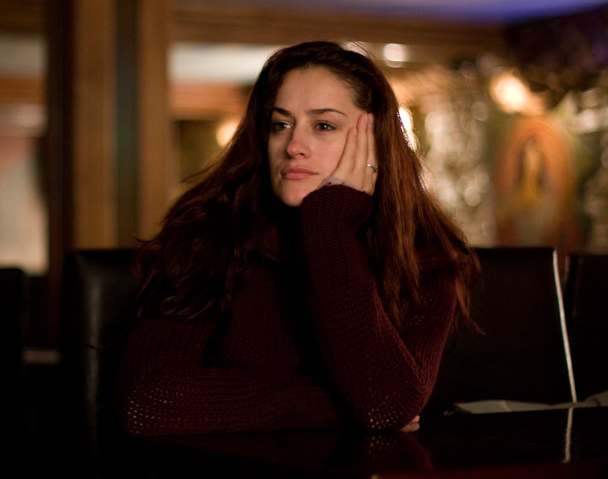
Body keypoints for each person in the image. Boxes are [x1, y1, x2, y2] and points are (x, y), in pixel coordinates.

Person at [115, 41, 478, 436]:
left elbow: (385, 405)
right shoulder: (208, 238)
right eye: (281, 124)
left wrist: (329, 229)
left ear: (375, 143)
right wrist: (334, 404)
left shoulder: (424, 258)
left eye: (323, 126)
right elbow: (148, 403)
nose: (293, 146)